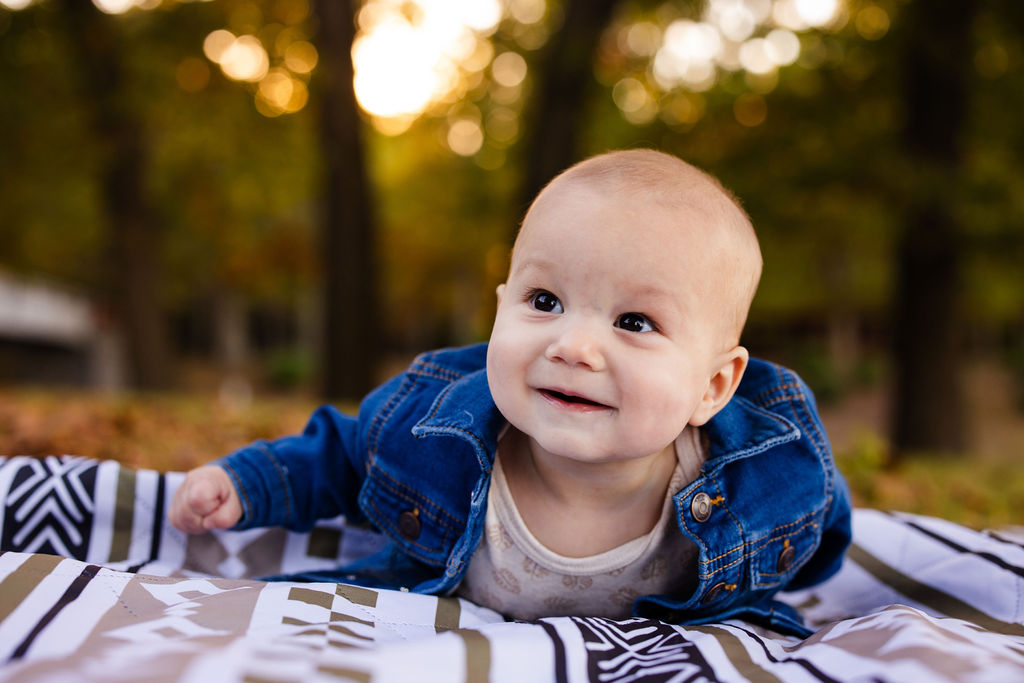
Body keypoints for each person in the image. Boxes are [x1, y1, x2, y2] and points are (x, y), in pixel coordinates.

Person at [170, 149, 851, 636]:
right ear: (501, 308)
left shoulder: (765, 472)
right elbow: (344, 456)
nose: (573, 346)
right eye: (545, 300)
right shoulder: (433, 431)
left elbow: (824, 526)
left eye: (634, 322)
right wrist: (247, 483)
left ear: (712, 386)